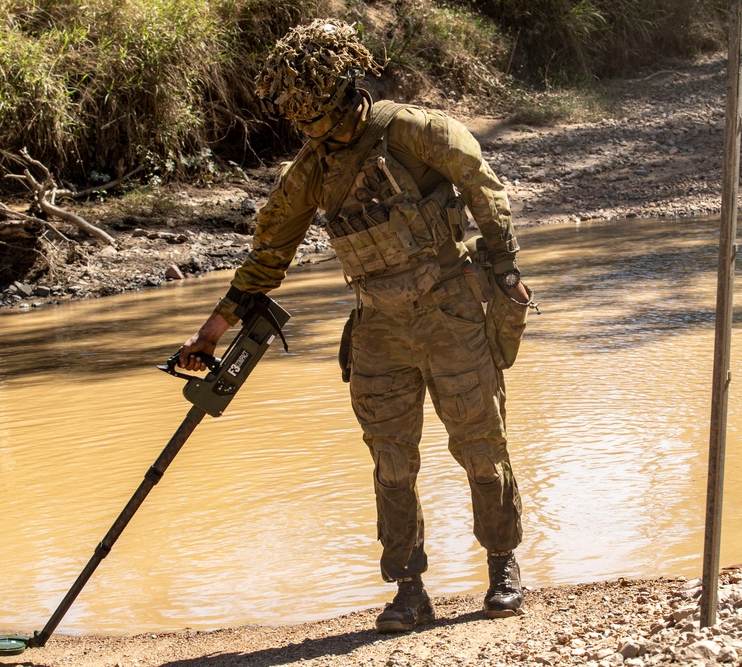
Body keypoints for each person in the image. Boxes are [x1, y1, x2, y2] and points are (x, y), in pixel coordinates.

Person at [178, 18, 533, 633]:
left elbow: (482, 185)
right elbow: (270, 251)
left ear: (346, 90)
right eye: (303, 121)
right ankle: (409, 589)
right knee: (391, 460)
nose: (313, 130)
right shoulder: (313, 169)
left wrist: (504, 267)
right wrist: (214, 328)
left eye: (319, 115)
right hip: (377, 327)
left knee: (480, 444)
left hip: (450, 311)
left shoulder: (413, 130)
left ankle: (502, 567)